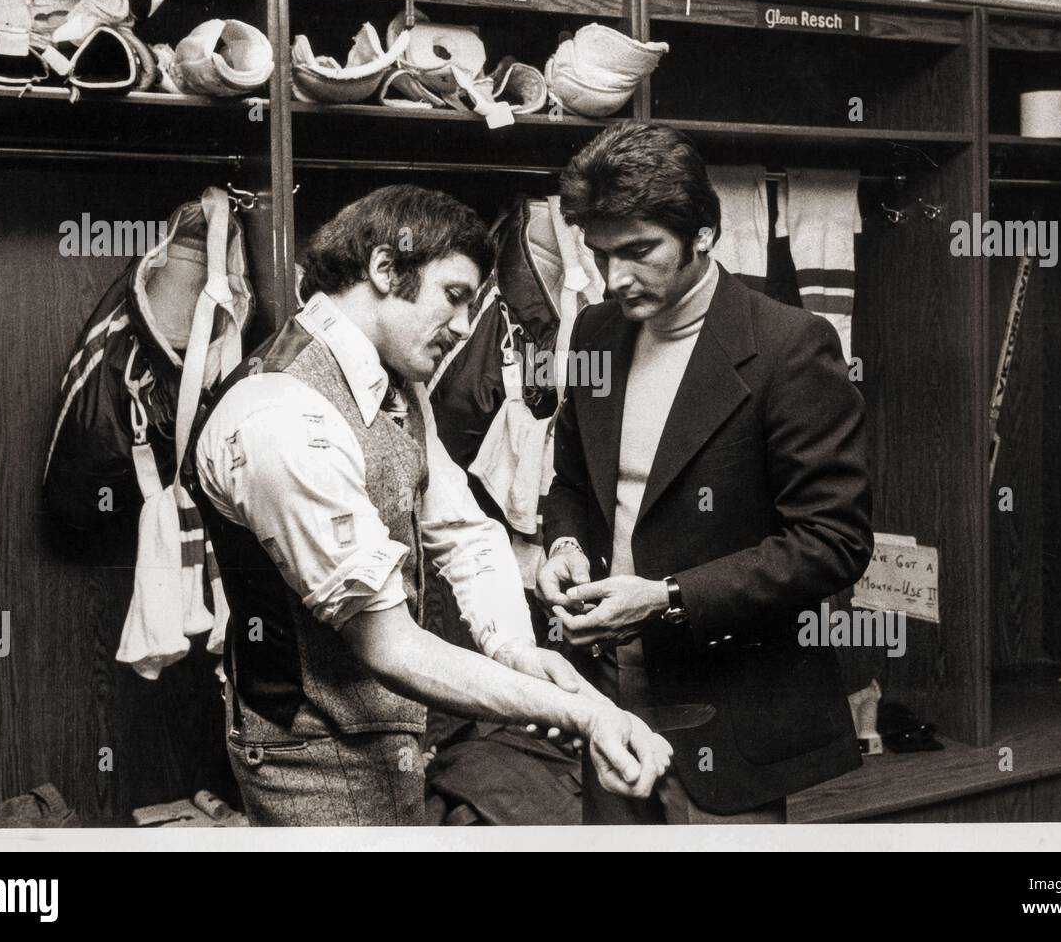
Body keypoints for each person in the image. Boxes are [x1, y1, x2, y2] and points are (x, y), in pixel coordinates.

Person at [181, 184, 671, 826]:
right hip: (308, 753)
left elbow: (464, 532)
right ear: (386, 269)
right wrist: (579, 711)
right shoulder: (281, 416)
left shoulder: (391, 379)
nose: (467, 325)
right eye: (455, 296)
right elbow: (391, 647)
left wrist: (518, 654)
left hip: (388, 733)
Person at [537, 122, 874, 824]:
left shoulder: (791, 347)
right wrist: (564, 548)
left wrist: (665, 597)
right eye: (600, 255)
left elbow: (834, 542)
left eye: (639, 252)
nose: (615, 278)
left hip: (727, 709)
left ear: (705, 233)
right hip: (606, 694)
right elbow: (571, 482)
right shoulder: (594, 332)